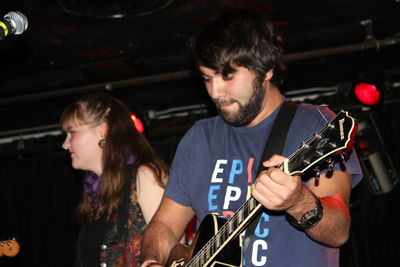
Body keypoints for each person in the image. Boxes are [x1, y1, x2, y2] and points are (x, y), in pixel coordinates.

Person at [141, 10, 362, 267]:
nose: (215, 92)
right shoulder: (199, 137)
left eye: (227, 76)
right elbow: (165, 224)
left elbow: (339, 231)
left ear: (266, 69)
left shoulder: (314, 125)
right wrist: (151, 260)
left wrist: (298, 201)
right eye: (207, 78)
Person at [60, 92, 168, 267]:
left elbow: (172, 253)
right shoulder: (95, 198)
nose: (65, 144)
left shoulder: (144, 176)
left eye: (71, 132)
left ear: (102, 130)